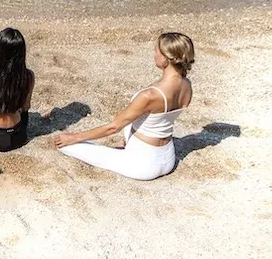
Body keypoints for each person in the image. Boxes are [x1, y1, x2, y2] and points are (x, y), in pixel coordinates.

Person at [54, 32, 195, 181]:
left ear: (167, 58)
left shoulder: (150, 95)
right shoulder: (187, 86)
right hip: (167, 157)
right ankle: (128, 144)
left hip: (143, 165)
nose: (154, 54)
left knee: (64, 146)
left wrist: (74, 137)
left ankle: (124, 149)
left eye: (156, 50)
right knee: (137, 119)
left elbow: (113, 128)